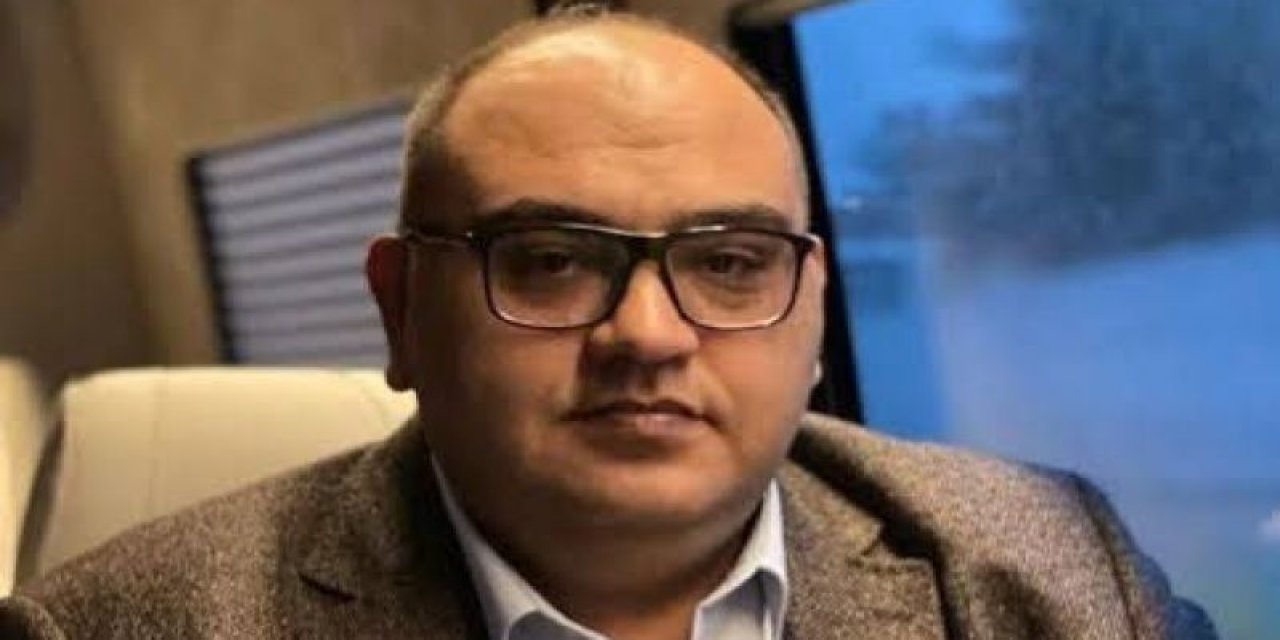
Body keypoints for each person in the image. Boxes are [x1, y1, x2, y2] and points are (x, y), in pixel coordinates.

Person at [0, 8, 1214, 640]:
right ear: (401, 310)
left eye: (727, 263)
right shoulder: (119, 629)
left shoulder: (1042, 572)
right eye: (549, 261)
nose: (647, 334)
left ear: (810, 310)